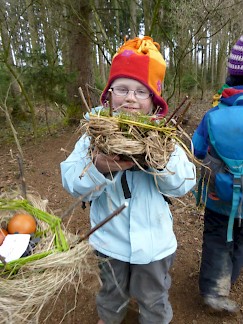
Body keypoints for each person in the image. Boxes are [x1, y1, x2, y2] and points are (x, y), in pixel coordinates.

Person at [61, 36, 196, 324]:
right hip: (110, 241)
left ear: (153, 101)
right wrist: (97, 167)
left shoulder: (164, 138)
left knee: (153, 297)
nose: (131, 98)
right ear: (108, 95)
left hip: (154, 244)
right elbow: (71, 180)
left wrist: (159, 162)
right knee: (112, 293)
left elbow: (185, 181)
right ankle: (109, 318)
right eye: (122, 89)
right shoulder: (93, 135)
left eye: (141, 91)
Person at [192, 35, 243, 313]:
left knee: (216, 237)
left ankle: (214, 290)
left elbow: (196, 150)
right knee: (241, 239)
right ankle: (230, 279)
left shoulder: (213, 114)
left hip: (217, 195)